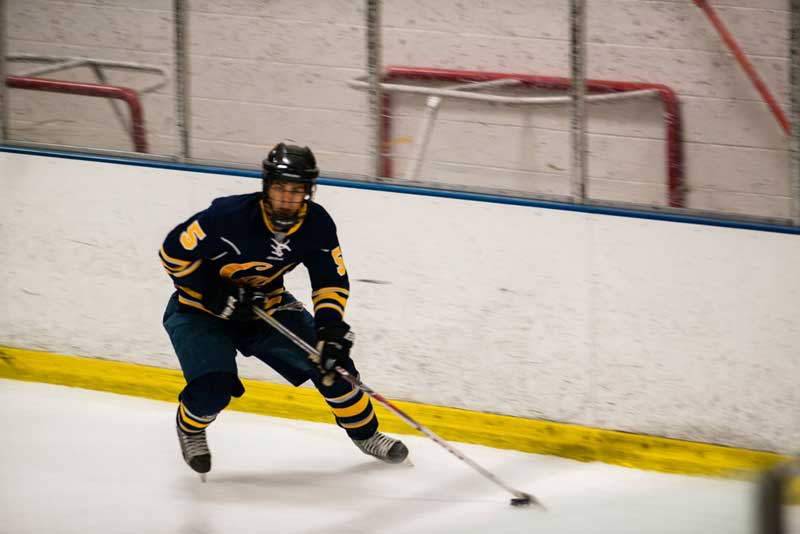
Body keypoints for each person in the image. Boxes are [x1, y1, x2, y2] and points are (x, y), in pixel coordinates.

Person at [159, 142, 408, 477]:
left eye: (296, 190)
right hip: (199, 313)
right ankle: (190, 429)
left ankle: (366, 435)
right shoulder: (226, 216)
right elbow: (172, 252)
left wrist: (330, 329)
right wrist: (212, 294)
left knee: (335, 367)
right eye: (280, 188)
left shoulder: (316, 224)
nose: (287, 197)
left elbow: (329, 280)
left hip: (266, 309)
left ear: (308, 192)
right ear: (266, 186)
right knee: (212, 389)